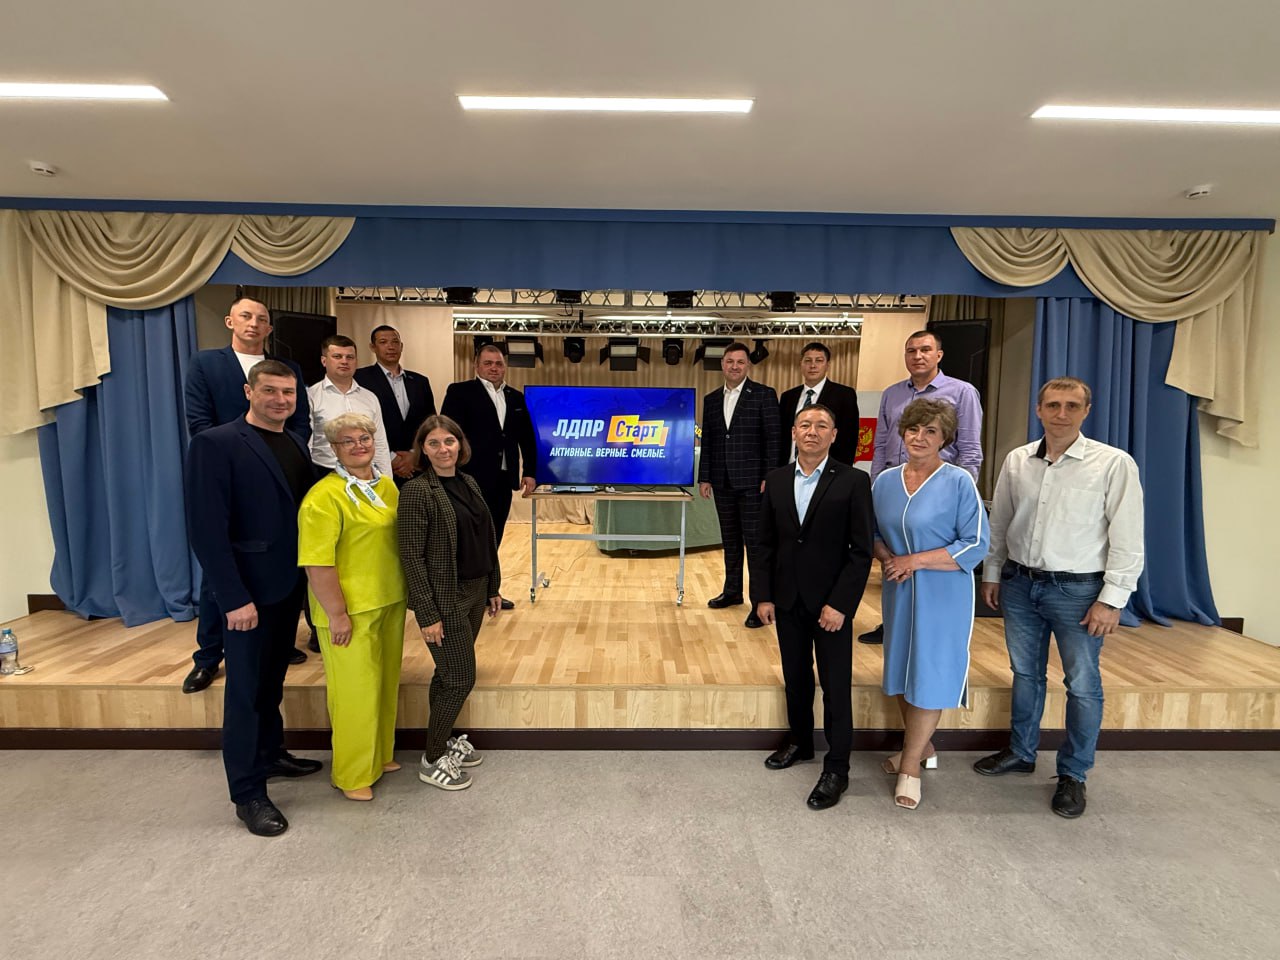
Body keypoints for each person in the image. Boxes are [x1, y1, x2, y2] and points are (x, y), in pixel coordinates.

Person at [974, 377, 1144, 819]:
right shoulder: (1017, 461)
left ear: (1086, 411)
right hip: (1020, 584)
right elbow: (1000, 522)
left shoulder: (1113, 464)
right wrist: (992, 572)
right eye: (1053, 405)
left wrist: (1112, 600)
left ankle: (1073, 773)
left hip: (1080, 591)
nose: (1061, 414)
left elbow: (1128, 538)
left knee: (1082, 684)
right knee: (1025, 674)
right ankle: (1021, 751)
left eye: (1071, 406)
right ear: (1039, 410)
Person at [185, 360, 321, 837]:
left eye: (288, 392)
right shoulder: (215, 444)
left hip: (286, 587)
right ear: (249, 391)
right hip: (247, 595)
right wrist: (232, 598)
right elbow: (207, 531)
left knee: (271, 683)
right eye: (270, 391)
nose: (281, 400)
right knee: (244, 693)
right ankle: (248, 793)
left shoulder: (295, 442)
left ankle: (270, 754)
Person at [181, 296, 312, 694]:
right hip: (233, 473)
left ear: (270, 328)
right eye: (246, 316)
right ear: (230, 321)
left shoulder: (288, 369)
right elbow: (200, 422)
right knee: (220, 578)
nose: (254, 323)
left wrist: (282, 449)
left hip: (277, 476)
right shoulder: (207, 363)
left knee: (268, 670)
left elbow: (300, 421)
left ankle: (275, 642)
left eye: (262, 318)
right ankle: (208, 657)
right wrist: (243, 451)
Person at [871, 398, 989, 811]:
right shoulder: (884, 482)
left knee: (930, 673)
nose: (919, 437)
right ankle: (923, 747)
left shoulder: (959, 482)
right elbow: (872, 532)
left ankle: (910, 767)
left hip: (944, 593)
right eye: (913, 429)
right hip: (899, 590)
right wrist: (888, 558)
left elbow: (976, 544)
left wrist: (914, 561)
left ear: (945, 439)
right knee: (901, 670)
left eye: (931, 431)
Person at [756, 404, 874, 810]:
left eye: (822, 425)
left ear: (834, 434)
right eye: (805, 424)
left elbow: (861, 551)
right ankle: (800, 742)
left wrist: (840, 604)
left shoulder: (854, 481)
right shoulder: (776, 480)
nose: (812, 431)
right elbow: (764, 544)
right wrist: (763, 595)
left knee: (835, 687)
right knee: (796, 679)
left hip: (831, 607)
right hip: (787, 600)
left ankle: (837, 768)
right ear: (793, 432)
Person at [298, 413, 408, 802]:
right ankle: (352, 773)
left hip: (389, 599)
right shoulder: (323, 498)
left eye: (364, 438)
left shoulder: (387, 487)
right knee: (354, 693)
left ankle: (379, 755)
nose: (359, 446)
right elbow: (317, 563)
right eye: (348, 441)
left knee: (384, 684)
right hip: (348, 609)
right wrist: (337, 614)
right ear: (334, 448)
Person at [398, 414, 502, 792]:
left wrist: (493, 586)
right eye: (434, 443)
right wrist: (427, 614)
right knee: (460, 678)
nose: (443, 449)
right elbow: (411, 557)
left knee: (446, 674)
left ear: (460, 445)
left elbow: (485, 537)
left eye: (449, 441)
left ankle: (442, 741)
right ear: (422, 450)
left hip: (475, 591)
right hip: (446, 599)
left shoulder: (468, 482)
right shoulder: (416, 492)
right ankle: (432, 759)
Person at [860, 329, 983, 646]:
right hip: (895, 488)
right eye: (911, 350)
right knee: (894, 562)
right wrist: (877, 490)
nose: (918, 356)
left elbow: (970, 449)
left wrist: (958, 494)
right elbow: (881, 445)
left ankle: (932, 638)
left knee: (926, 567)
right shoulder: (892, 394)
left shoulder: (962, 392)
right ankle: (892, 624)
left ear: (939, 355)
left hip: (938, 492)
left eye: (925, 350)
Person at [440, 343, 536, 609]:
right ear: (476, 365)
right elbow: (449, 434)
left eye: (499, 364)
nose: (494, 368)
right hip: (469, 479)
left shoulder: (516, 397)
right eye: (488, 363)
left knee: (495, 535)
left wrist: (530, 472)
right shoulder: (460, 392)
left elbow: (527, 438)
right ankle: (461, 593)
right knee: (468, 538)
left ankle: (490, 591)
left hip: (503, 480)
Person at [698, 341, 781, 628]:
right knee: (730, 541)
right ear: (722, 364)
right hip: (722, 482)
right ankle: (732, 591)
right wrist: (705, 476)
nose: (735, 366)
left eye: (740, 362)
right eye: (730, 361)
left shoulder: (764, 395)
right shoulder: (711, 399)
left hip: (753, 484)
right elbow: (708, 441)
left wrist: (769, 476)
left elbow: (774, 439)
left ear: (748, 365)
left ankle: (760, 603)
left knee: (756, 545)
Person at [353, 324, 437, 487]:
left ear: (401, 346)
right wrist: (391, 458)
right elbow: (359, 424)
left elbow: (430, 422)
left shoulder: (420, 381)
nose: (391, 347)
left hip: (417, 467)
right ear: (373, 347)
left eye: (395, 342)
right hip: (376, 466)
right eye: (383, 342)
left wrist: (414, 455)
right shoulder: (360, 379)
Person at [307, 335, 394, 479]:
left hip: (367, 474)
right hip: (325, 472)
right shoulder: (311, 396)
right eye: (337, 356)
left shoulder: (369, 397)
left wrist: (387, 481)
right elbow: (307, 444)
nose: (344, 361)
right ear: (324, 361)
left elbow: (380, 443)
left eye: (350, 357)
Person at [777, 342, 860, 465]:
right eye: (808, 361)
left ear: (827, 365)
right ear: (801, 364)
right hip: (789, 467)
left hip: (827, 468)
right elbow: (781, 436)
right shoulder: (788, 397)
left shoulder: (844, 395)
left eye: (819, 361)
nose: (813, 365)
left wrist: (841, 471)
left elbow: (849, 438)